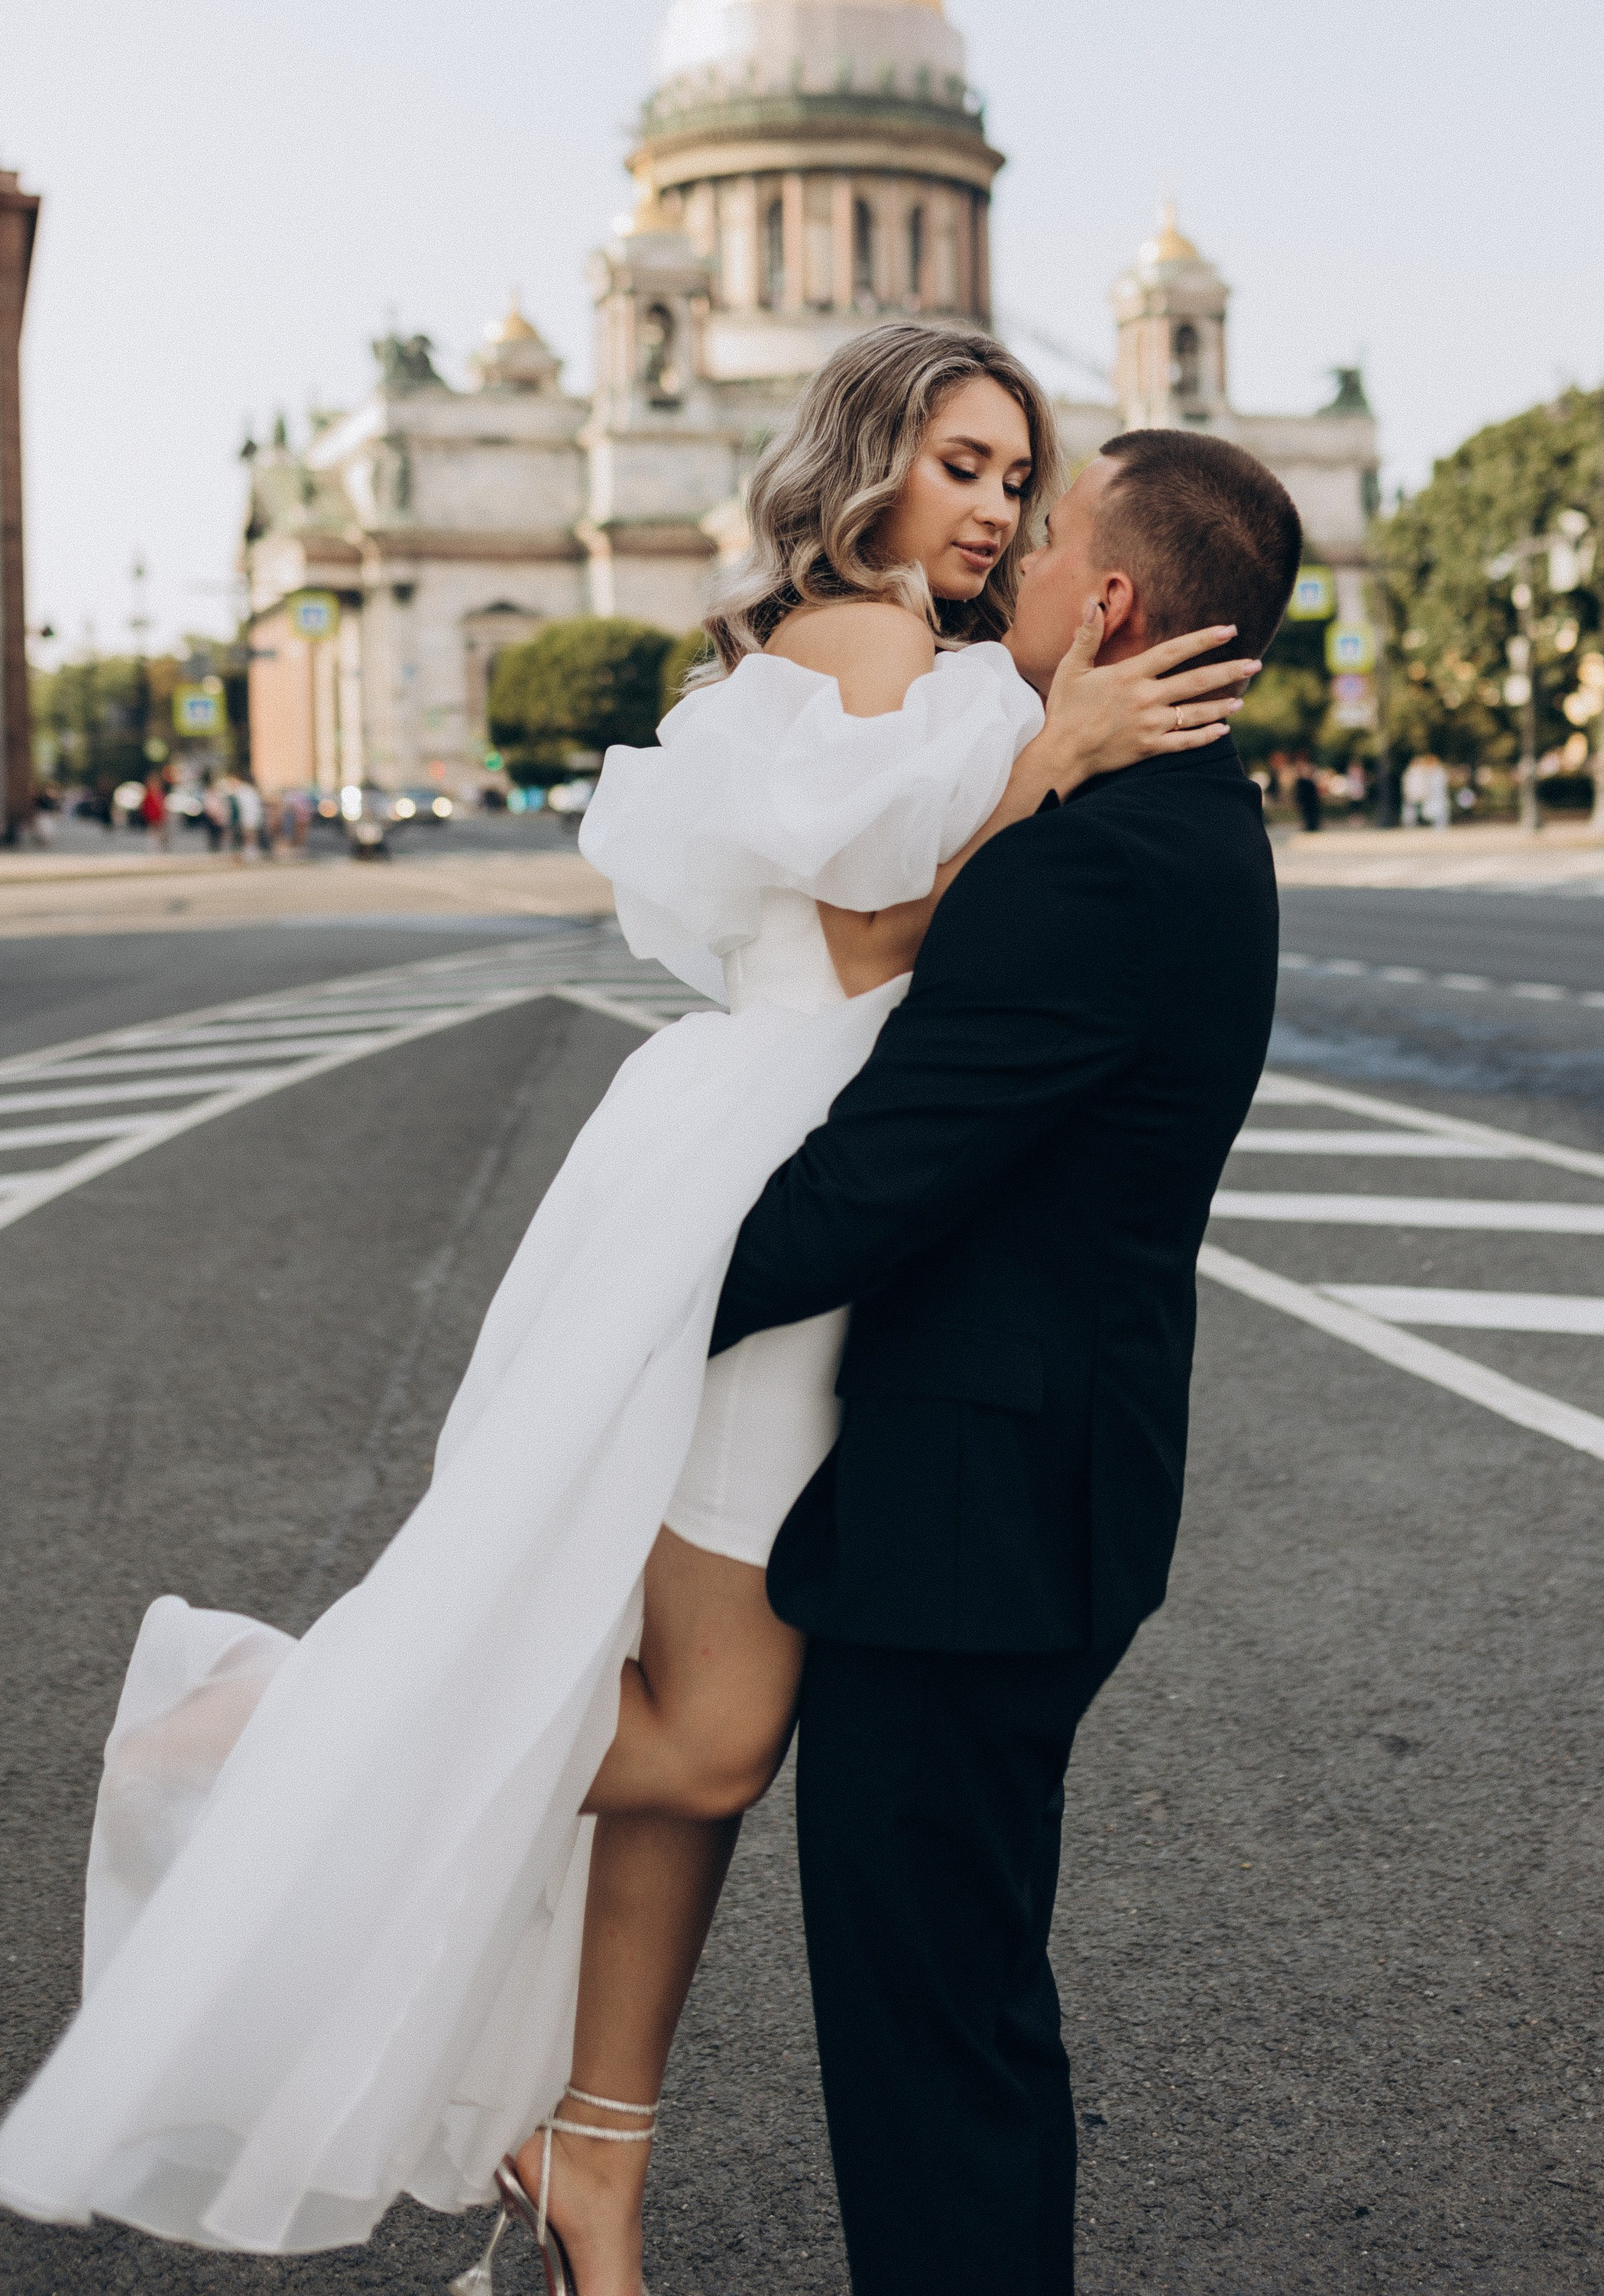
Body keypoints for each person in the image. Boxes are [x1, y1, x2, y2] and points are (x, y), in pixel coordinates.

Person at [0, 324, 1256, 2288]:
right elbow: (867, 933)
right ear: (869, 468)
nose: (996, 510)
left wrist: (1032, 741)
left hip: (806, 1200)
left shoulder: (924, 673)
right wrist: (1050, 756)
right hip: (775, 1187)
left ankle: (593, 2155)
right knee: (712, 1732)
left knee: (686, 1719)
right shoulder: (866, 650)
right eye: (961, 465)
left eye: (1021, 477)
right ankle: (264, 1724)